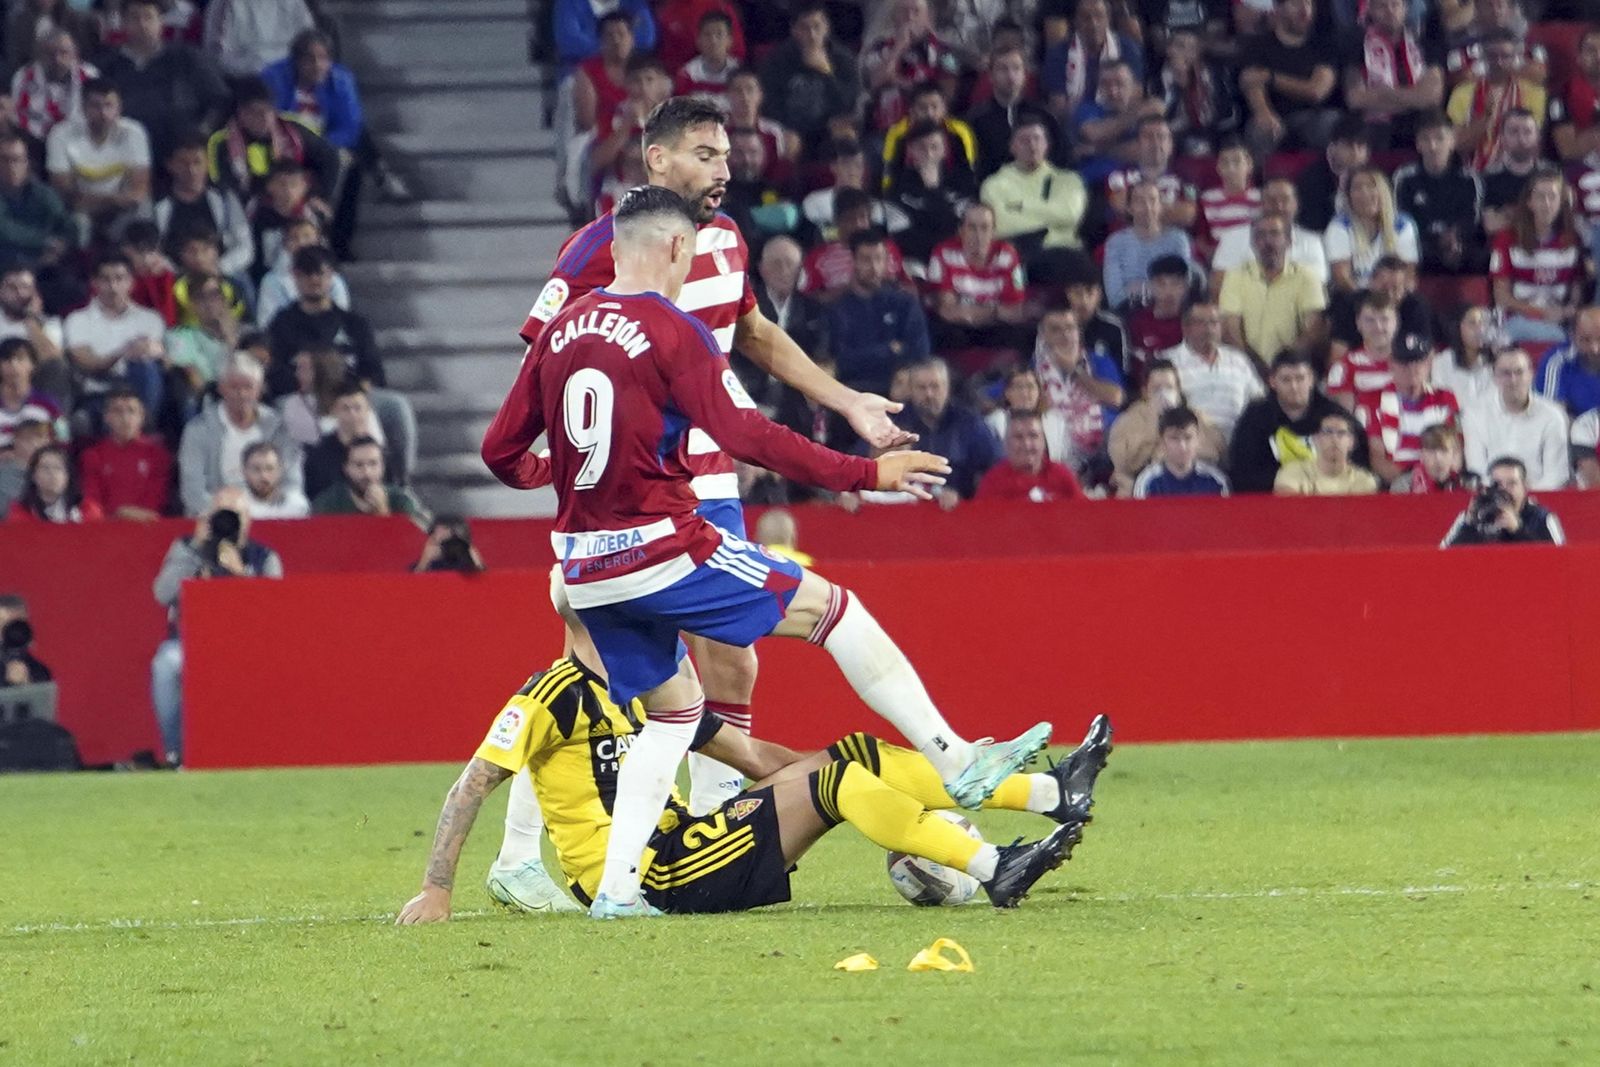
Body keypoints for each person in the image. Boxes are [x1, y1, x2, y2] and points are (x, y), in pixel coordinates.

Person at [480, 187, 1049, 918]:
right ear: (678, 248)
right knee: (836, 609)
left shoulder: (562, 331)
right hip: (664, 552)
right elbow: (747, 436)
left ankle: (617, 894)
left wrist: (550, 475)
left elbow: (500, 449)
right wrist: (865, 472)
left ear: (612, 248)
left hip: (586, 571)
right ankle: (956, 759)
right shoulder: (672, 328)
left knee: (672, 717)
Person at [516, 99, 916, 820]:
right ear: (657, 159)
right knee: (599, 664)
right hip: (630, 486)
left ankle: (719, 808)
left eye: (727, 156)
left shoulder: (727, 238)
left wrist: (847, 400)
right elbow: (546, 360)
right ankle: (524, 844)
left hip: (711, 472)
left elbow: (756, 333)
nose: (725, 170)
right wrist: (571, 467)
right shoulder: (595, 250)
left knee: (730, 650)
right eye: (706, 155)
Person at [396, 612, 1104, 922]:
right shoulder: (552, 694)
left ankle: (1049, 790)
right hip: (652, 873)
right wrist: (436, 889)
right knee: (836, 782)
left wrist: (828, 784)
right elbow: (471, 785)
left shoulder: (648, 689)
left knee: (847, 758)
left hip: (686, 845)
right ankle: (993, 868)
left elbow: (752, 756)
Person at [151, 486, 282, 766]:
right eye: (219, 514)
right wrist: (196, 551)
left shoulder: (265, 557)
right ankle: (176, 754)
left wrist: (241, 575)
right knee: (165, 665)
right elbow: (161, 594)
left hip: (249, 647)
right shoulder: (187, 548)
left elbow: (275, 615)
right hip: (190, 643)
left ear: (248, 519)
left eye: (234, 515)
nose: (227, 522)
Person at [93, 0, 227, 163]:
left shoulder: (187, 57)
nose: (142, 24)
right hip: (123, 152)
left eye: (148, 17)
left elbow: (219, 100)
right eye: (134, 18)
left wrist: (201, 133)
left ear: (161, 21)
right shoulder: (107, 64)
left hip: (181, 152)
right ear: (123, 22)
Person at [176, 352, 302, 516]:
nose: (242, 394)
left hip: (273, 515)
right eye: (234, 387)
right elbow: (193, 492)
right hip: (219, 517)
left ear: (260, 388)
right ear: (221, 388)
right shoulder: (198, 430)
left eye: (248, 387)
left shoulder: (280, 428)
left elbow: (292, 483)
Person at [1230, 350, 1367, 492]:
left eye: (1300, 378)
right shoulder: (1256, 417)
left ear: (1312, 380)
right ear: (1272, 382)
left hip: (1328, 498)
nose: (1294, 387)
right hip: (1272, 499)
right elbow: (1243, 471)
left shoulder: (1335, 416)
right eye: (1286, 380)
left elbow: (1358, 464)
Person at [63, 253, 167, 422]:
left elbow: (161, 359)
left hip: (138, 390)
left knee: (147, 367)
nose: (113, 286)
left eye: (120, 279)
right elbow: (88, 363)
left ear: (131, 282)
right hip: (99, 393)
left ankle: (143, 429)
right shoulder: (78, 319)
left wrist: (156, 351)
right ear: (94, 283)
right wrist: (123, 352)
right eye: (105, 279)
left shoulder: (151, 319)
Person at [825, 229, 929, 397]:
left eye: (879, 259)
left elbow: (920, 352)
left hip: (900, 391)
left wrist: (867, 355)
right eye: (866, 260)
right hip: (853, 393)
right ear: (853, 261)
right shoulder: (838, 309)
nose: (874, 267)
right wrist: (888, 350)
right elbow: (841, 361)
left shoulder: (904, 303)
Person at [44, 78, 151, 242]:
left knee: (143, 209)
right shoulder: (61, 134)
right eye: (96, 106)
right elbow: (64, 192)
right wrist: (113, 200)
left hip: (119, 208)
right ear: (83, 108)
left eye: (109, 105)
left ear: (119, 107)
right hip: (80, 210)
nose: (103, 113)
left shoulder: (134, 132)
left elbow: (139, 190)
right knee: (77, 222)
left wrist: (105, 201)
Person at [1490, 168, 1588, 345]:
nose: (1547, 203)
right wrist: (1540, 313)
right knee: (1559, 339)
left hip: (1559, 319)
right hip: (1518, 319)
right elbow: (1501, 297)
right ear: (1529, 202)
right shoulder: (1506, 239)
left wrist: (1568, 310)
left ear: (1561, 202)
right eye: (1540, 197)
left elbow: (1576, 291)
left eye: (1552, 197)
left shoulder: (1572, 240)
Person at [206, 76, 339, 206]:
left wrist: (321, 197)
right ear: (242, 113)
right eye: (256, 113)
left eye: (268, 111)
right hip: (250, 209)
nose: (264, 119)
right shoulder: (223, 143)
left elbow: (330, 156)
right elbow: (225, 189)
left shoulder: (293, 132)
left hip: (297, 205)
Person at [979, 115, 1087, 276]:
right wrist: (1049, 221)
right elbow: (1001, 225)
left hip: (1066, 253)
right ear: (1012, 147)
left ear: (1046, 144)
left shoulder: (1069, 180)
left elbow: (1070, 214)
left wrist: (1020, 206)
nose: (1032, 145)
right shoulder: (993, 185)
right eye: (1024, 140)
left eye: (1037, 139)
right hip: (1021, 257)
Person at [924, 203, 1031, 358]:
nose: (979, 235)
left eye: (985, 228)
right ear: (961, 231)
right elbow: (947, 311)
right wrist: (995, 311)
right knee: (944, 332)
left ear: (993, 231)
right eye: (972, 228)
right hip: (958, 329)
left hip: (994, 329)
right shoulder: (943, 252)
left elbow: (1015, 311)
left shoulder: (1008, 255)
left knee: (1022, 333)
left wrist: (968, 310)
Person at [1218, 214, 1326, 365]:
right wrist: (1255, 366)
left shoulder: (1307, 277)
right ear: (1253, 243)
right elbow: (1230, 330)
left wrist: (1284, 364)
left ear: (1289, 241)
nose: (1267, 241)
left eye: (1275, 234)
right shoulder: (1235, 276)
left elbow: (1314, 329)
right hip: (1246, 365)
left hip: (1292, 366)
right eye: (1260, 235)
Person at [1032, 305, 1125, 480]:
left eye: (1070, 328)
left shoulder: (1098, 361)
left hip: (1102, 444)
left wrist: (1073, 370)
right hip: (1056, 444)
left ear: (1078, 331)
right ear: (1043, 335)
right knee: (1051, 421)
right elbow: (1003, 396)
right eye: (1056, 330)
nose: (1065, 335)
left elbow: (1115, 398)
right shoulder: (1035, 367)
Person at [1108, 358, 1225, 494]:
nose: (1164, 394)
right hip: (1141, 486)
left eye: (1169, 388)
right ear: (1145, 392)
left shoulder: (1196, 417)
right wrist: (1154, 425)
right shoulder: (1128, 420)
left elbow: (1217, 452)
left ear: (1178, 390)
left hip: (1189, 481)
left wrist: (1171, 454)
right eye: (1157, 389)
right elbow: (1123, 464)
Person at [1461, 347, 1571, 490]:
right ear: (1494, 377)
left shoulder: (1553, 416)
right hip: (1492, 498)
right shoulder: (1474, 414)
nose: (1513, 380)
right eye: (1505, 373)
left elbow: (1556, 476)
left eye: (1519, 372)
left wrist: (1523, 498)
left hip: (1540, 498)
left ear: (1531, 375)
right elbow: (1477, 470)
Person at [1239, 0, 1341, 153]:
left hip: (1311, 118)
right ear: (1278, 8)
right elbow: (1252, 83)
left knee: (1331, 122)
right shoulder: (1257, 45)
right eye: (1296, 4)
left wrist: (1270, 77)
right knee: (1260, 130)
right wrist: (1264, 113)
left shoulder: (1323, 45)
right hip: (1275, 115)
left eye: (1308, 4)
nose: (1304, 11)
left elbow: (1316, 91)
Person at [1393, 112, 1487, 276]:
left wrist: (1454, 235)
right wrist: (1436, 239)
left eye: (1439, 138)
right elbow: (1402, 219)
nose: (1433, 146)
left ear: (1452, 141)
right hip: (1421, 244)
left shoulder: (1469, 178)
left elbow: (1473, 219)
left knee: (1482, 256)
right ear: (1418, 144)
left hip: (1459, 243)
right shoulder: (1404, 177)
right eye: (1426, 139)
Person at [1342, 0, 1443, 149]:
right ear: (1370, 10)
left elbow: (1432, 97)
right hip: (1377, 127)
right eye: (1382, 5)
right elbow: (1356, 98)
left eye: (1395, 4)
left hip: (1419, 124)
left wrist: (1382, 93)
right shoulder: (1356, 44)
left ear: (1405, 9)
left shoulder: (1424, 42)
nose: (1390, 11)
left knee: (1436, 129)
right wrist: (1414, 99)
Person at [153, 134, 254, 282]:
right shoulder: (158, 205)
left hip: (220, 272)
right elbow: (153, 250)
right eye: (183, 163)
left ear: (207, 163)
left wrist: (220, 268)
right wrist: (175, 273)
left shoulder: (225, 199)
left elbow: (245, 247)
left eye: (197, 162)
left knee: (242, 280)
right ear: (170, 165)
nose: (191, 170)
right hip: (174, 276)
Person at [1358, 341, 1461, 483]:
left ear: (1428, 364)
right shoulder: (1373, 401)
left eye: (1418, 361)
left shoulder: (1445, 398)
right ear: (1391, 364)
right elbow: (1378, 459)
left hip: (1440, 479)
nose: (1412, 369)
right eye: (1404, 362)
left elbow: (1456, 451)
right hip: (1399, 482)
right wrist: (1413, 481)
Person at [757, 5, 858, 146]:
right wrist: (787, 128)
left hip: (829, 126)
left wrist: (826, 72)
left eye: (817, 27)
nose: (812, 35)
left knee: (847, 135)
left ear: (826, 27)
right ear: (794, 30)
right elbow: (770, 103)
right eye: (805, 28)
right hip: (792, 128)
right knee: (788, 142)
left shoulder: (842, 58)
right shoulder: (778, 60)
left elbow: (848, 103)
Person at [1164, 302, 1264, 443]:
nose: (1209, 329)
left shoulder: (1239, 360)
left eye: (1214, 323)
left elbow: (1258, 401)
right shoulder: (1169, 362)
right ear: (1185, 328)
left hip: (1240, 443)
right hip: (1192, 445)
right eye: (1201, 323)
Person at [1447, 29, 1545, 171]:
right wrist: (1486, 118)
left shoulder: (1535, 93)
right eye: (1492, 56)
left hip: (1520, 171)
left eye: (1505, 56)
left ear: (1515, 58)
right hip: (1473, 171)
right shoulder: (1462, 93)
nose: (1498, 62)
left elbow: (1533, 144)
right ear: (1483, 58)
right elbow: (1456, 144)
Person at [860, 0, 963, 133]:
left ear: (928, 17)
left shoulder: (944, 51)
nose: (910, 17)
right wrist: (898, 47)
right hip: (887, 128)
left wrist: (903, 83)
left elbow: (949, 93)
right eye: (904, 12)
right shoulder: (879, 48)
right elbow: (876, 81)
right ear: (894, 17)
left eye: (916, 11)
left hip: (929, 131)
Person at [1210, 178, 1327, 293]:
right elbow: (1219, 284)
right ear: (1261, 204)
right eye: (1271, 200)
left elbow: (1317, 287)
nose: (1279, 206)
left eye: (1285, 200)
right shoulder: (1233, 238)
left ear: (1295, 205)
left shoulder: (1312, 242)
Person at [965, 44, 1057, 182]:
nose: (1011, 75)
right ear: (990, 76)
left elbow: (1060, 158)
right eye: (1003, 69)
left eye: (1016, 68)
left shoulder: (1043, 115)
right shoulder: (976, 119)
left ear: (1025, 74)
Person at [78, 386, 170, 520]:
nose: (125, 418)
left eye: (131, 411)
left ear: (142, 416)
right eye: (118, 411)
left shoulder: (157, 455)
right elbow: (91, 500)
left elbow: (156, 499)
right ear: (106, 417)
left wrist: (128, 514)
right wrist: (115, 515)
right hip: (105, 530)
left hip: (147, 528)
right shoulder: (93, 455)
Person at [1324, 167, 1419, 293]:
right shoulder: (1339, 227)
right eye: (1357, 188)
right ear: (1349, 196)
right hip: (1355, 297)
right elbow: (1342, 278)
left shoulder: (1403, 225)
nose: (1365, 193)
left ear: (1384, 191)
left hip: (1394, 296)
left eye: (1372, 186)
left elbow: (1408, 275)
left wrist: (1390, 301)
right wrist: (1368, 302)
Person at [1044, 0, 1143, 120]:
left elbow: (1136, 96)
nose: (1093, 23)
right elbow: (1058, 106)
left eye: (1099, 16)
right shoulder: (1058, 53)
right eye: (1086, 18)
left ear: (1108, 19)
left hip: (1120, 119)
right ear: (1075, 21)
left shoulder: (1128, 49)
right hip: (1075, 124)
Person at [1102, 181, 1192, 310]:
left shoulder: (1178, 239)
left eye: (1153, 200)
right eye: (1139, 201)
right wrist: (1162, 288)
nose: (1147, 207)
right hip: (1130, 313)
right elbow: (1115, 297)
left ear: (1161, 206)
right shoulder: (1116, 243)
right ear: (1129, 208)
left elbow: (1183, 289)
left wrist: (1139, 288)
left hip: (1172, 312)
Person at [300, 380, 395, 501]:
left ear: (368, 410)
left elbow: (393, 491)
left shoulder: (381, 452)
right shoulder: (318, 455)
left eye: (358, 408)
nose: (353, 415)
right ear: (334, 411)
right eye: (346, 408)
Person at [1441, 456, 1564, 545]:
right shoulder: (1473, 515)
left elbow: (1557, 561)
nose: (1504, 490)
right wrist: (1468, 525)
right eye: (1497, 484)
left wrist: (1517, 530)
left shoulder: (1542, 518)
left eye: (1511, 484)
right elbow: (1443, 558)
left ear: (1525, 486)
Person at [0, 133, 75, 275]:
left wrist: (59, 247)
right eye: (4, 160)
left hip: (44, 264)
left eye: (16, 160)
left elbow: (66, 225)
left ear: (26, 163)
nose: (10, 166)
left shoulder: (43, 194)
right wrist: (46, 241)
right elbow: (5, 230)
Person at [1105, 117, 1197, 230]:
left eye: (1161, 137)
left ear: (1171, 145)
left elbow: (1188, 214)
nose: (1155, 142)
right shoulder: (1119, 176)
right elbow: (1119, 204)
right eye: (1148, 136)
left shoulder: (1185, 178)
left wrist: (1138, 209)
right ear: (1137, 144)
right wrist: (1171, 209)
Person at [311, 435, 427, 524]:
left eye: (373, 464)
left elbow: (411, 542)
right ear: (346, 468)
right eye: (359, 465)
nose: (367, 472)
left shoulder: (401, 500)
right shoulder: (327, 503)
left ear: (383, 466)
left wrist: (383, 512)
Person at [974, 409, 1082, 501]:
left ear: (1043, 442)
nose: (1026, 444)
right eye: (1018, 437)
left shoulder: (1062, 475)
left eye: (1033, 436)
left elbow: (1084, 515)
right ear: (1006, 444)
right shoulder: (993, 482)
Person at [11, 28, 97, 144]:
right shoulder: (23, 78)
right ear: (40, 55)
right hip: (35, 143)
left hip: (79, 141)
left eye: (64, 52)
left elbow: (95, 112)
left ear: (75, 54)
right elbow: (18, 116)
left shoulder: (90, 76)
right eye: (50, 53)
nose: (57, 59)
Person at [1326, 291, 1403, 411]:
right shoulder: (1343, 369)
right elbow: (1346, 422)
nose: (1378, 327)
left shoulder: (1414, 365)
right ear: (1358, 324)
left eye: (1384, 319)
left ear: (1396, 322)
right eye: (1370, 320)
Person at [1294, 115, 1370, 235]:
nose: (1356, 153)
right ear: (1333, 146)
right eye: (1348, 146)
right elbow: (1312, 225)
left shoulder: (1375, 177)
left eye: (1360, 146)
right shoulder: (1312, 180)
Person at [1274, 411, 1380, 495]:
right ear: (1315, 439)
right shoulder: (1292, 472)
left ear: (1351, 442)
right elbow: (1287, 511)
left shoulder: (1364, 480)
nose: (1334, 439)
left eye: (1341, 433)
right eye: (1327, 432)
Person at [1133, 405, 1230, 497]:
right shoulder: (1147, 482)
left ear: (1198, 440)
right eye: (1174, 438)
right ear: (1162, 442)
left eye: (1188, 437)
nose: (1182, 446)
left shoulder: (1215, 480)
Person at [201, 0, 315, 77]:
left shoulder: (294, 3)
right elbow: (216, 54)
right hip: (246, 76)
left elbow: (309, 42)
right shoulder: (224, 3)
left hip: (289, 72)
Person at [1123, 254, 1189, 385]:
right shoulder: (1136, 322)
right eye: (1161, 283)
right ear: (1150, 286)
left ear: (1185, 286)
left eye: (1175, 283)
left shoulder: (1193, 322)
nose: (1168, 291)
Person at [984, 367, 1071, 464]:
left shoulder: (1056, 422)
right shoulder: (994, 422)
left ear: (1039, 392)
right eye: (1018, 387)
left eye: (1030, 387)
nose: (1025, 394)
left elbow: (1066, 460)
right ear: (1007, 393)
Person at [1478, 107, 1544, 233]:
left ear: (1537, 136)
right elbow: (1491, 225)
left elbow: (1556, 222)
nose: (1521, 138)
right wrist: (1534, 215)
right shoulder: (1487, 178)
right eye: (1513, 132)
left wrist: (1508, 215)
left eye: (1527, 132)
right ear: (1502, 137)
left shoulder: (1550, 175)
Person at [7, 441, 101, 521]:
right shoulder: (20, 511)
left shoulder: (88, 510)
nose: (52, 473)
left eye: (58, 468)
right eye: (45, 468)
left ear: (68, 475)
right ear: (34, 475)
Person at [1537, 307, 1600, 419]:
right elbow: (1552, 418)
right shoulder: (1556, 362)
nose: (1594, 348)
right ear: (1572, 336)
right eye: (1585, 340)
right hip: (1573, 430)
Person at [1549, 28, 1600, 164]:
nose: (1598, 57)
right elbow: (1568, 150)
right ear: (1579, 57)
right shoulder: (1562, 94)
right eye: (1591, 50)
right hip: (1579, 171)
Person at [0, 337, 61, 448]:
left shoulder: (49, 404)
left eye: (20, 358)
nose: (13, 365)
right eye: (6, 359)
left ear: (33, 364)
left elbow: (64, 438)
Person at [1433, 306, 1498, 406]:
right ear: (1457, 328)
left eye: (1482, 323)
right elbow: (1440, 399)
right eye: (1472, 323)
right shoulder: (1442, 362)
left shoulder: (1494, 361)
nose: (1480, 329)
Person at [1391, 423, 1475, 493]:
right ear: (1422, 454)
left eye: (1444, 451)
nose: (1438, 458)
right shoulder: (1404, 486)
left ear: (1453, 454)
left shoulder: (1468, 484)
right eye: (1431, 451)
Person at [239, 439, 307, 520]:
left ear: (280, 470)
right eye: (256, 469)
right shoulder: (236, 507)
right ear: (244, 472)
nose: (263, 476)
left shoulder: (297, 505)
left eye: (269, 468)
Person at [412, 516, 485, 573]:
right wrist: (424, 562)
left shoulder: (465, 561)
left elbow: (484, 584)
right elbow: (411, 585)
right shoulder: (431, 563)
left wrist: (477, 563)